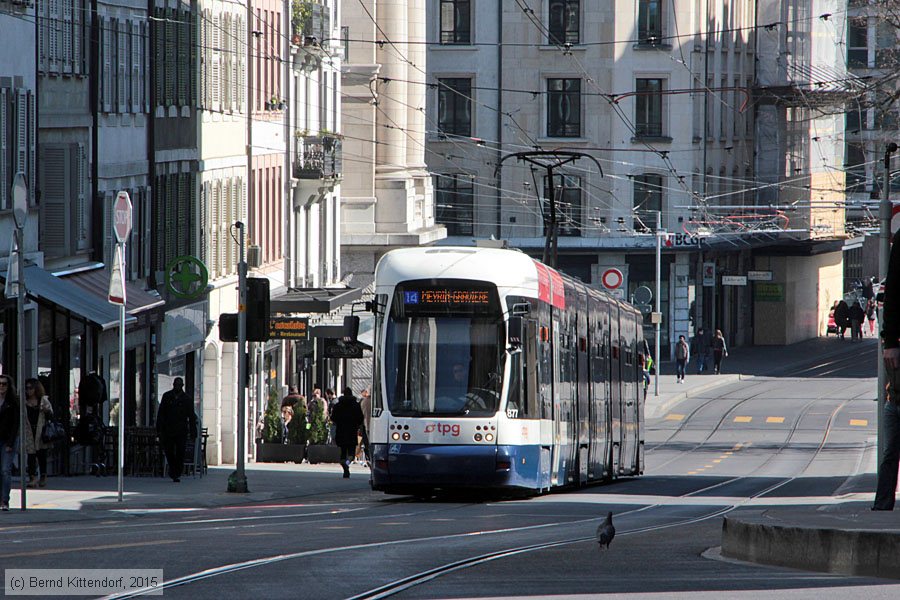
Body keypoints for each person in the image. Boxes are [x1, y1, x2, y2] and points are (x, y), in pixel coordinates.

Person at [874, 229, 900, 510]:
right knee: (890, 450)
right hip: (896, 396)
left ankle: (882, 503)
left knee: (891, 450)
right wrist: (891, 339)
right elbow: (893, 290)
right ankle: (882, 504)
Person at [155, 378, 198, 482]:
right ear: (173, 385)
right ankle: (173, 469)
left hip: (181, 430)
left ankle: (177, 472)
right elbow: (161, 414)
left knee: (180, 452)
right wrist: (159, 429)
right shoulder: (167, 396)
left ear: (182, 385)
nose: (177, 386)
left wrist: (193, 432)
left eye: (179, 385)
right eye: (176, 384)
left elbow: (191, 416)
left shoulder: (187, 399)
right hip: (168, 429)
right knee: (169, 451)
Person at [23, 378, 53, 488]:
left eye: (30, 388)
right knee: (30, 455)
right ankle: (32, 477)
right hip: (29, 430)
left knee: (41, 454)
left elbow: (51, 416)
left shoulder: (43, 400)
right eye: (26, 388)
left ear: (36, 389)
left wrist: (46, 411)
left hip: (41, 431)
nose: (28, 391)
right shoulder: (24, 402)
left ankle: (43, 476)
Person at [330, 387, 364, 478]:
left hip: (341, 431)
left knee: (343, 452)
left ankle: (344, 464)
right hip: (352, 431)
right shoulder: (356, 405)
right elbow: (360, 418)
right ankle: (347, 463)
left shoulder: (338, 405)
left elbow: (333, 418)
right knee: (352, 454)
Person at [0, 375, 18, 511]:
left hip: (7, 439)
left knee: (5, 470)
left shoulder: (13, 401)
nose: (1, 386)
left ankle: (5, 500)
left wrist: (11, 443)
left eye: (4, 384)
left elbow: (15, 424)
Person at [356, 388, 371, 465]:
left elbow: (359, 415)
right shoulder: (375, 402)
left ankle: (367, 458)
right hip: (373, 426)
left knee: (363, 443)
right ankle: (369, 459)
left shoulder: (363, 401)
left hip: (364, 426)